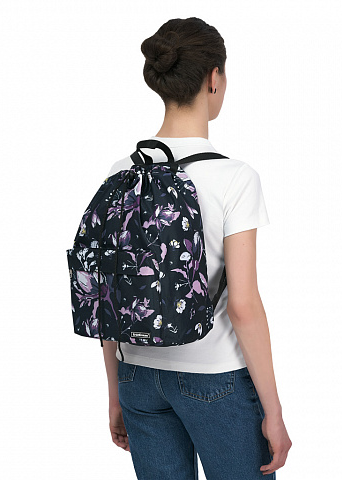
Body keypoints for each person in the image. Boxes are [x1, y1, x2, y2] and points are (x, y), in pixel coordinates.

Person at [101, 17, 292, 480]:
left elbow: (110, 296)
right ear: (213, 77)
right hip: (215, 378)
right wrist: (274, 411)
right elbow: (243, 306)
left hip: (137, 377)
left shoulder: (121, 173)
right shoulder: (234, 178)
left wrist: (116, 393)